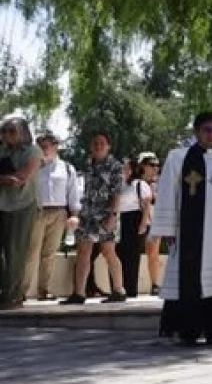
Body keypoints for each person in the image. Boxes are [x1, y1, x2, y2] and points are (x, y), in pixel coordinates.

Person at [153, 113, 212, 346]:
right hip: (191, 234)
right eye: (207, 130)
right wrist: (168, 228)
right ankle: (189, 329)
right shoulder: (179, 157)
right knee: (189, 279)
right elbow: (167, 192)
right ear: (197, 132)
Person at [59, 130, 126, 305]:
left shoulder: (115, 166)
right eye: (95, 143)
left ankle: (119, 290)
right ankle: (79, 293)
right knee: (83, 252)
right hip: (87, 214)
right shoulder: (87, 164)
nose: (98, 146)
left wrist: (113, 215)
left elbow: (117, 193)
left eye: (102, 143)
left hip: (106, 214)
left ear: (108, 146)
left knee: (108, 251)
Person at [27, 131, 77, 301]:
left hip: (59, 212)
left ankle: (44, 290)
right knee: (31, 253)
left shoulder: (67, 168)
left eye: (47, 145)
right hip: (37, 212)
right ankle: (22, 291)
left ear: (56, 146)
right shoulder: (33, 166)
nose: (44, 149)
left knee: (49, 254)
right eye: (40, 146)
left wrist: (74, 214)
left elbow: (72, 193)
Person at [0, 115, 39, 310]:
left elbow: (21, 179)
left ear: (23, 133)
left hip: (22, 206)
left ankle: (13, 295)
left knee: (15, 252)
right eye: (4, 131)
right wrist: (8, 179)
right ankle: (4, 291)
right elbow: (11, 180)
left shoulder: (32, 151)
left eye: (11, 131)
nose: (7, 135)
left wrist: (8, 179)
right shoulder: (1, 151)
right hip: (2, 204)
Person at [114, 156, 151, 296]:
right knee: (119, 253)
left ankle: (131, 289)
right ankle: (119, 287)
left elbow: (146, 205)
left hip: (134, 219)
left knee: (132, 256)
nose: (124, 169)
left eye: (126, 167)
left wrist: (143, 223)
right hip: (120, 219)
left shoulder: (140, 184)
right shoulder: (120, 184)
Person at [134, 153, 162, 295]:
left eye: (157, 165)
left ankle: (155, 284)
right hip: (138, 220)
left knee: (153, 253)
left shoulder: (159, 184)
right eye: (152, 165)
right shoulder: (136, 182)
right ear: (143, 166)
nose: (155, 168)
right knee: (133, 253)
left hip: (154, 221)